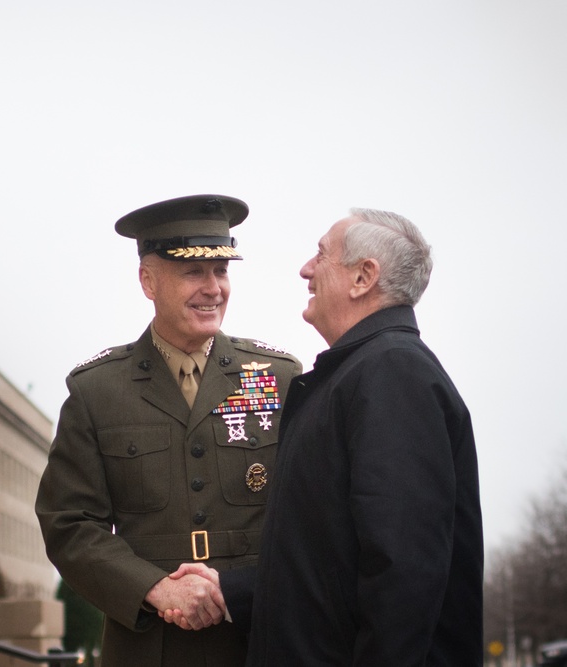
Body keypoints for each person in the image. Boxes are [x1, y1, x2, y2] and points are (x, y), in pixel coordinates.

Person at [172, 208, 483, 664]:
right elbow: (332, 568)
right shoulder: (360, 375)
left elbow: (403, 575)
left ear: (363, 277)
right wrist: (232, 589)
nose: (306, 269)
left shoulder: (393, 374)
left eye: (321, 255)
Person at [35, 194, 301, 667]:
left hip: (259, 641)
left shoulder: (277, 377)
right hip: (151, 645)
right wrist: (155, 589)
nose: (213, 288)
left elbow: (308, 519)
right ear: (148, 280)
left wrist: (237, 590)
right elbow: (69, 523)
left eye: (221, 271)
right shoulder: (98, 390)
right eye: (193, 272)